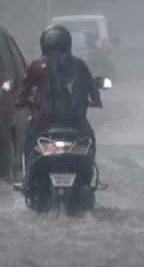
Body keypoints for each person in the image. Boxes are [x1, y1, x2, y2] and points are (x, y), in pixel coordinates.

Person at [17, 26, 102, 177]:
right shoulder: (79, 64)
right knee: (89, 139)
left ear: (44, 44)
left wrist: (21, 102)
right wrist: (96, 101)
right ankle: (89, 176)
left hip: (44, 123)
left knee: (29, 139)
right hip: (76, 123)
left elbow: (24, 90)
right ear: (67, 43)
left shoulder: (37, 66)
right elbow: (91, 87)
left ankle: (28, 176)